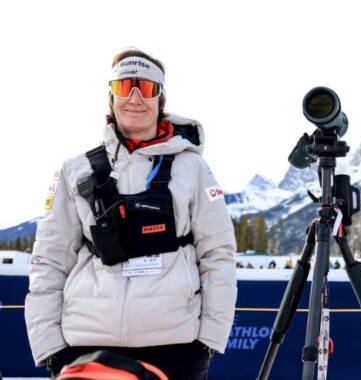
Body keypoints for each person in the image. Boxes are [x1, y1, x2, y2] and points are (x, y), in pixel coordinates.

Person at [25, 48, 237, 379]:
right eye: (125, 87)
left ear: (160, 99)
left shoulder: (192, 166)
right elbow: (50, 260)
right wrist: (49, 345)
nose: (135, 98)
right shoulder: (75, 170)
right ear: (111, 97)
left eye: (147, 88)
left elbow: (218, 253)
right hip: (86, 344)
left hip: (175, 345)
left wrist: (208, 339)